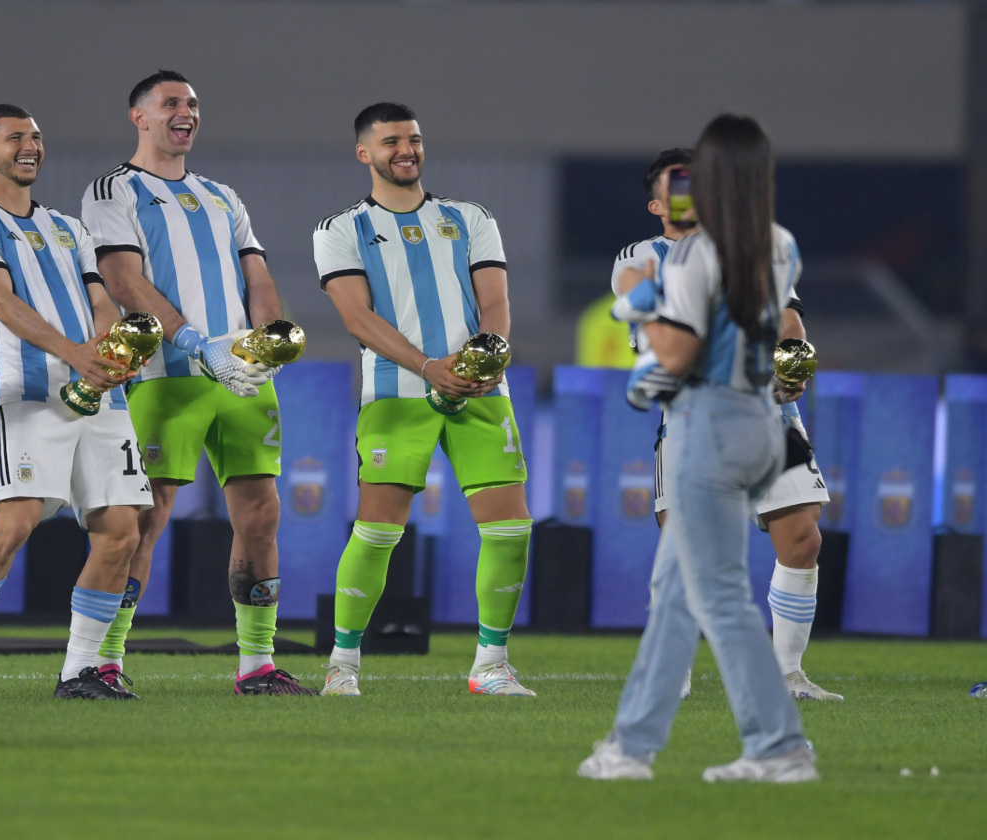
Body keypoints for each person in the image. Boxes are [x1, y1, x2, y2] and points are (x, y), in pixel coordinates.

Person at [580, 114, 818, 783]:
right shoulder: (776, 244)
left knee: (716, 597)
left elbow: (676, 353)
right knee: (677, 590)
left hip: (706, 426)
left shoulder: (690, 256)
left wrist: (638, 307)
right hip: (764, 424)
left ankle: (779, 747)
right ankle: (630, 746)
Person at [81, 70, 310, 696]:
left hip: (239, 379)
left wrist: (265, 345)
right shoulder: (114, 190)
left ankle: (256, 665)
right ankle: (105, 660)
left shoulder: (222, 195)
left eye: (193, 104)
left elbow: (255, 275)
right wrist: (192, 341)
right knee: (146, 519)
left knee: (262, 514)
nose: (187, 112)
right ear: (139, 116)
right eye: (172, 103)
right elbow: (122, 277)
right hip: (166, 374)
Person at [0, 104, 150, 702]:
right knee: (16, 523)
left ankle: (79, 672)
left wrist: (111, 347)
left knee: (122, 532)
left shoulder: (67, 227)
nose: (29, 147)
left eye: (35, 137)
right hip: (29, 394)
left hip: (101, 394)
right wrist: (74, 353)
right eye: (14, 138)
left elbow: (99, 298)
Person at [313, 103, 533, 697]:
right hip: (397, 394)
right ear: (365, 153)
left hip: (481, 391)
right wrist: (429, 367)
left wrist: (488, 356)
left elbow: (495, 302)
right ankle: (344, 665)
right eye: (391, 142)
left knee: (511, 530)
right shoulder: (341, 229)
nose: (406, 150)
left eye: (413, 139)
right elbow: (356, 317)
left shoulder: (470, 217)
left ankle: (490, 665)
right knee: (378, 532)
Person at [614, 148, 840, 702]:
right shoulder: (640, 257)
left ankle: (786, 673)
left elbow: (789, 318)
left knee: (803, 539)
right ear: (657, 203)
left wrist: (793, 360)